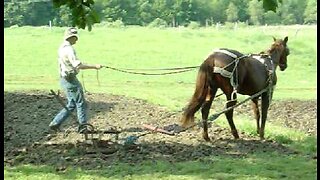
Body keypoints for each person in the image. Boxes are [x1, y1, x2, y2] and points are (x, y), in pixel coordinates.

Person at [49, 27, 102, 133]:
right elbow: (78, 65)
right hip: (70, 79)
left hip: (64, 78)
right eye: (75, 37)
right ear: (71, 37)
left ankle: (55, 123)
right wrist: (95, 66)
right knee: (81, 103)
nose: (76, 40)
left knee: (72, 104)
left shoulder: (61, 47)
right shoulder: (69, 49)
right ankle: (83, 127)